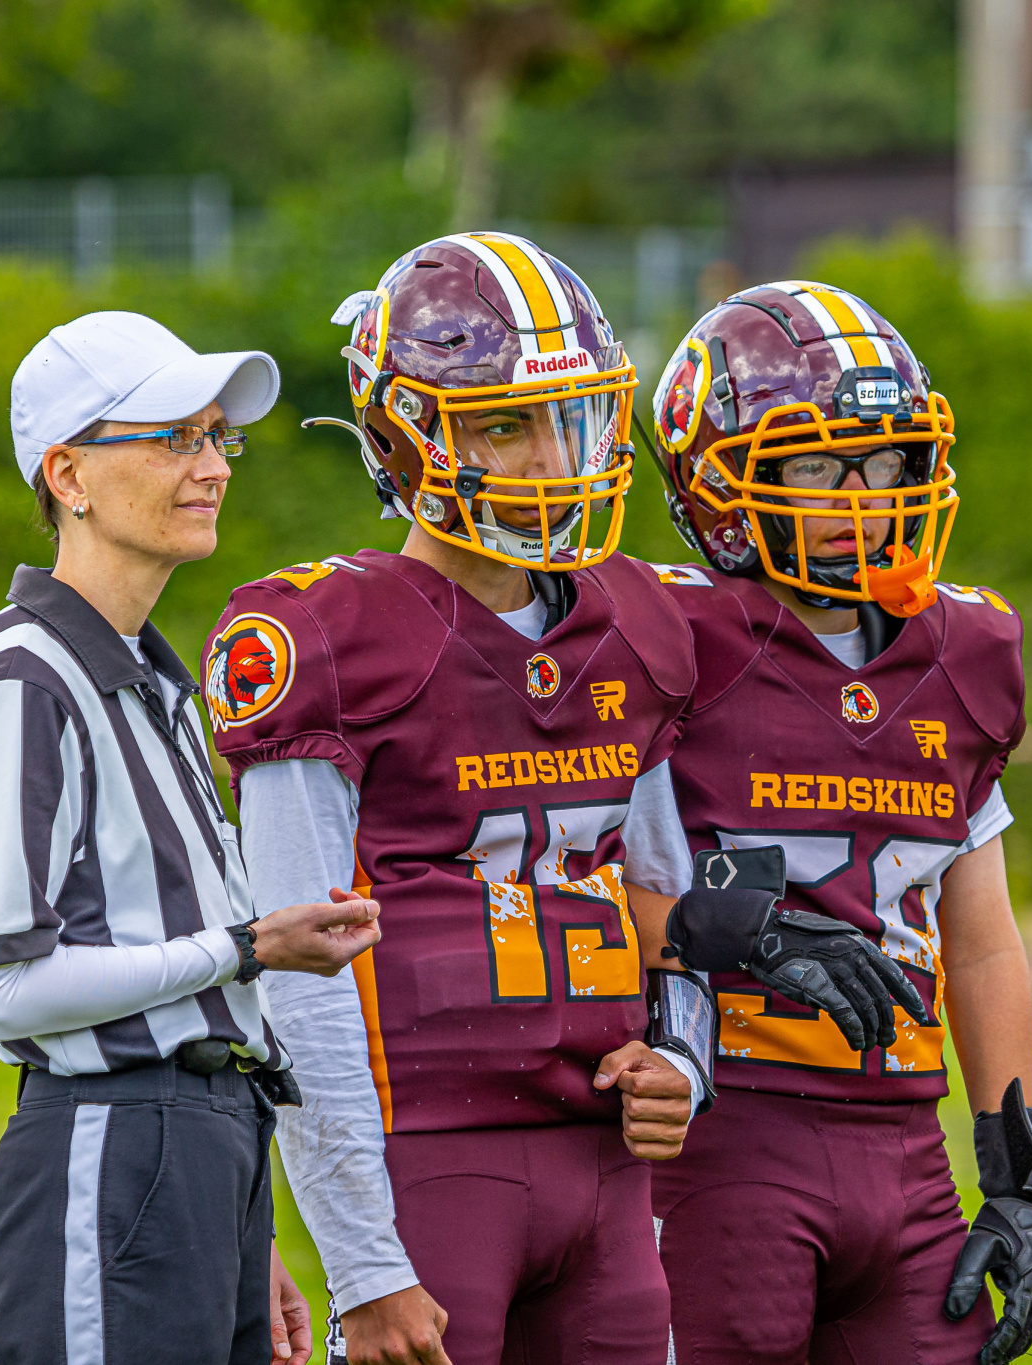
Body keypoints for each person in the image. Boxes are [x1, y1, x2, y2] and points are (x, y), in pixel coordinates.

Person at [203, 231, 722, 1365]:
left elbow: (668, 906)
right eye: (503, 425)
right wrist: (363, 1262)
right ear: (404, 435)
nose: (551, 457)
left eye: (570, 417)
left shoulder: (636, 622)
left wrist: (685, 1059)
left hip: (601, 1168)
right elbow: (296, 978)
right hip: (425, 1159)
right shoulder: (326, 635)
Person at [0, 310, 382, 1365]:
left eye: (217, 437)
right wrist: (246, 947)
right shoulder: (21, 678)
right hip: (109, 1146)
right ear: (68, 474)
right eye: (174, 437)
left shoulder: (153, 681)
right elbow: (1, 986)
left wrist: (248, 1226)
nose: (211, 466)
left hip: (205, 1154)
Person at [629, 281, 1032, 1365]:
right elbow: (585, 879)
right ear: (717, 480)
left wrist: (1018, 1181)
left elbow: (982, 937)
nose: (862, 498)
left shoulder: (961, 653)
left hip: (906, 1145)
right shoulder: (662, 637)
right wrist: (739, 931)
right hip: (726, 1129)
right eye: (819, 468)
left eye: (884, 462)